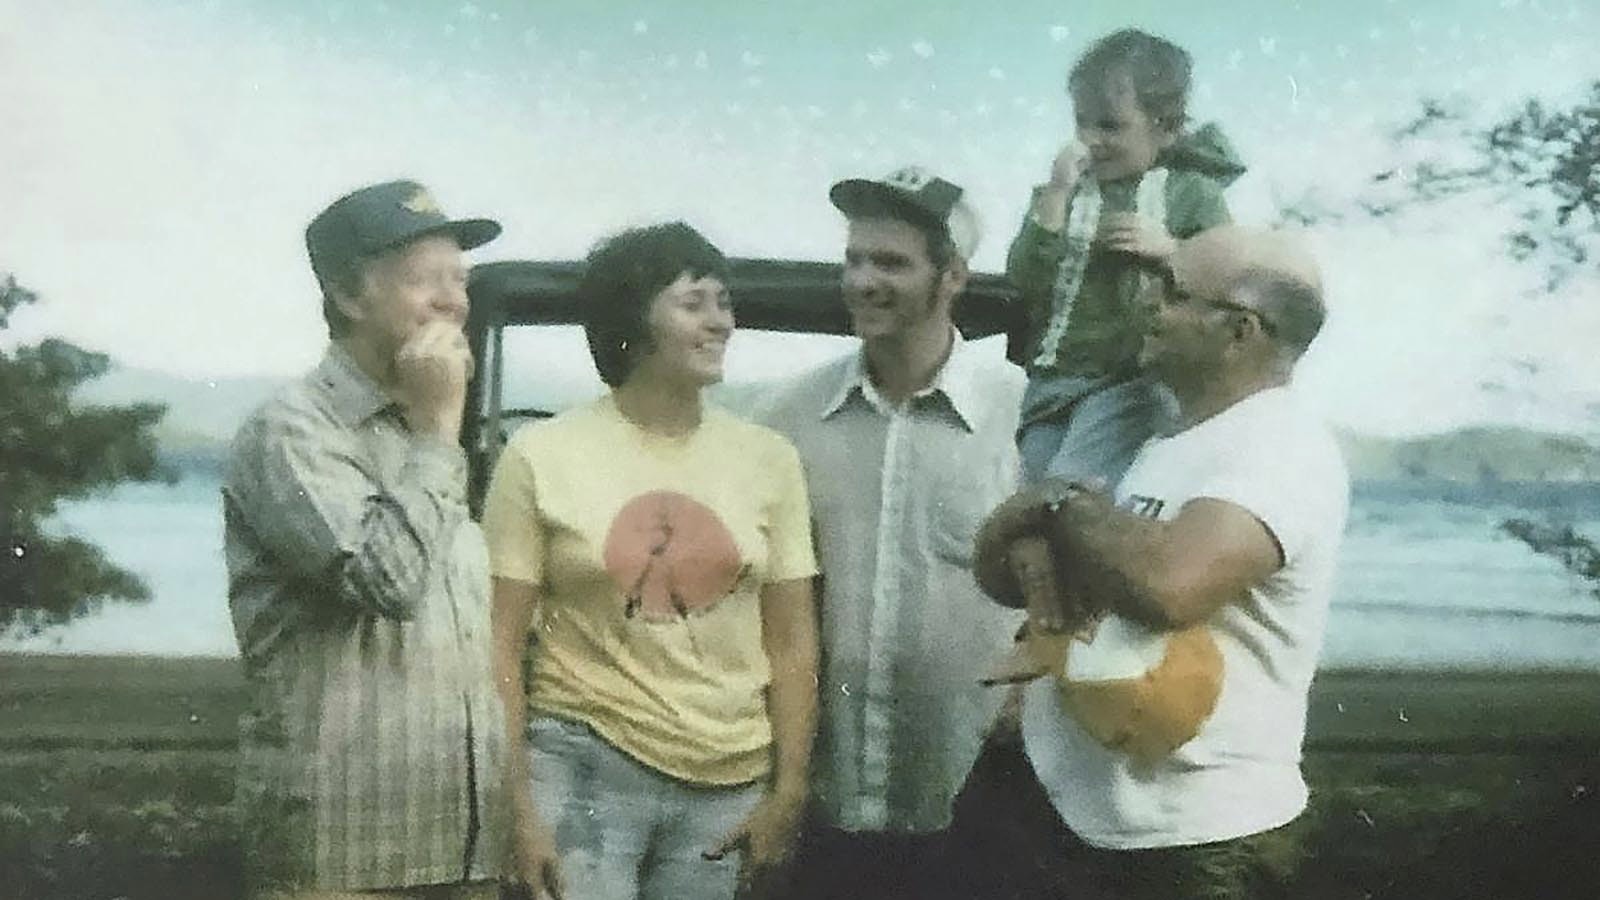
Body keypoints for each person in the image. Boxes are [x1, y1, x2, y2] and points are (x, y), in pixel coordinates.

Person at [958, 226, 1350, 900]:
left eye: (1172, 292)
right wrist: (1042, 508)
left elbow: (1170, 586)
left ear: (1239, 331)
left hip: (1190, 840)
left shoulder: (1279, 447)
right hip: (1064, 806)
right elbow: (1003, 576)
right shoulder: (1165, 442)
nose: (1147, 304)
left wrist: (1054, 503)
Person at [481, 222, 819, 900]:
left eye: (725, 303)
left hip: (727, 785)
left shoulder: (770, 459)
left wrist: (788, 792)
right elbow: (498, 644)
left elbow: (793, 640)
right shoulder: (540, 456)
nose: (720, 322)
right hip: (582, 766)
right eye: (694, 303)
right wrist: (518, 809)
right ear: (631, 323)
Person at [223, 179, 507, 899]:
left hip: (466, 848)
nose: (454, 301)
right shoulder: (291, 431)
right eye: (426, 281)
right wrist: (440, 431)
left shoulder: (428, 428)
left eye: (460, 280)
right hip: (344, 859)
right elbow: (388, 580)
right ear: (350, 297)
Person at [759, 167, 1026, 899]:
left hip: (979, 799)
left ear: (953, 278)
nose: (863, 281)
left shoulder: (1023, 417)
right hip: (823, 799)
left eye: (892, 263)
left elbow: (1071, 595)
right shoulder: (787, 417)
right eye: (855, 259)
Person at [998, 26, 1247, 680]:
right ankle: (1050, 634)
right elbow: (1026, 277)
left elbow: (1226, 278)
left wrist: (1171, 251)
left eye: (1110, 125)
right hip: (1050, 378)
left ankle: (1070, 636)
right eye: (1082, 124)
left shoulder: (1190, 193)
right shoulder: (1070, 191)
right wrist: (1051, 198)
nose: (1091, 141)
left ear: (1165, 127)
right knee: (1029, 520)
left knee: (1071, 501)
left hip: (1122, 377)